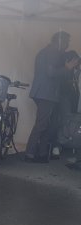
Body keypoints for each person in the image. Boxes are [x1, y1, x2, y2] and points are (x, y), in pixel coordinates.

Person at [25, 31, 79, 163]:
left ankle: (42, 153)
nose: (67, 45)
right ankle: (30, 153)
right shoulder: (52, 52)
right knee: (42, 124)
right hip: (46, 94)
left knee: (47, 124)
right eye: (66, 42)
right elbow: (51, 72)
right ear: (60, 40)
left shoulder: (47, 51)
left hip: (44, 93)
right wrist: (66, 68)